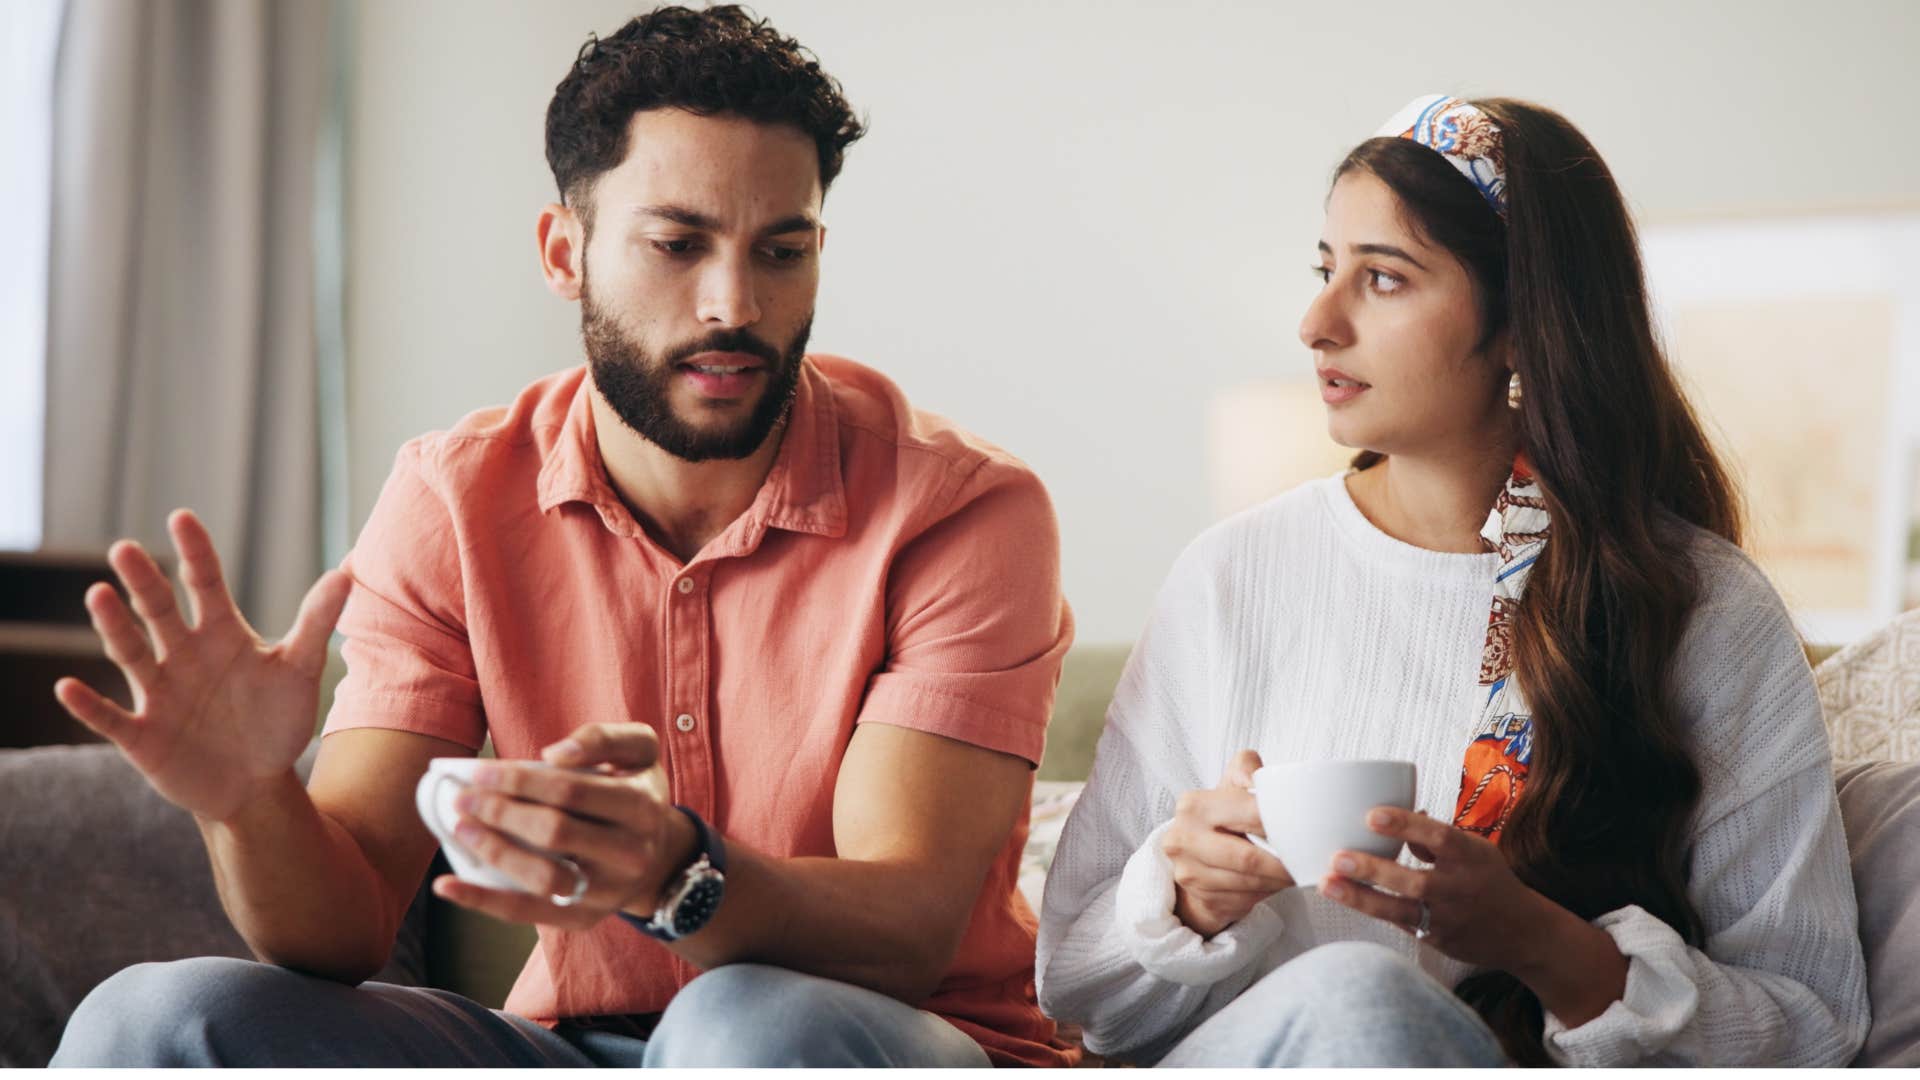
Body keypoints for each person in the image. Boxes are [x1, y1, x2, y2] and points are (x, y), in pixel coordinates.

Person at [50, 6, 1076, 1068]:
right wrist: (250, 802)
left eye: (782, 250)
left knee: (748, 1026)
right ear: (563, 251)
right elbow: (345, 929)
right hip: (571, 1048)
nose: (735, 302)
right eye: (678, 244)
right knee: (154, 1023)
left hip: (875, 1039)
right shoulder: (453, 498)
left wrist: (670, 870)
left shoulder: (961, 510)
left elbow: (904, 932)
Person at [1035, 94, 1871, 1067]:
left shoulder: (1703, 610)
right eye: (1325, 269)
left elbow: (1814, 1030)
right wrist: (1181, 899)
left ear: (1524, 326)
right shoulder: (1233, 576)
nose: (1316, 323)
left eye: (1383, 279)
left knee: (1366, 997)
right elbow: (1072, 985)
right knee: (1351, 993)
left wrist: (1543, 945)